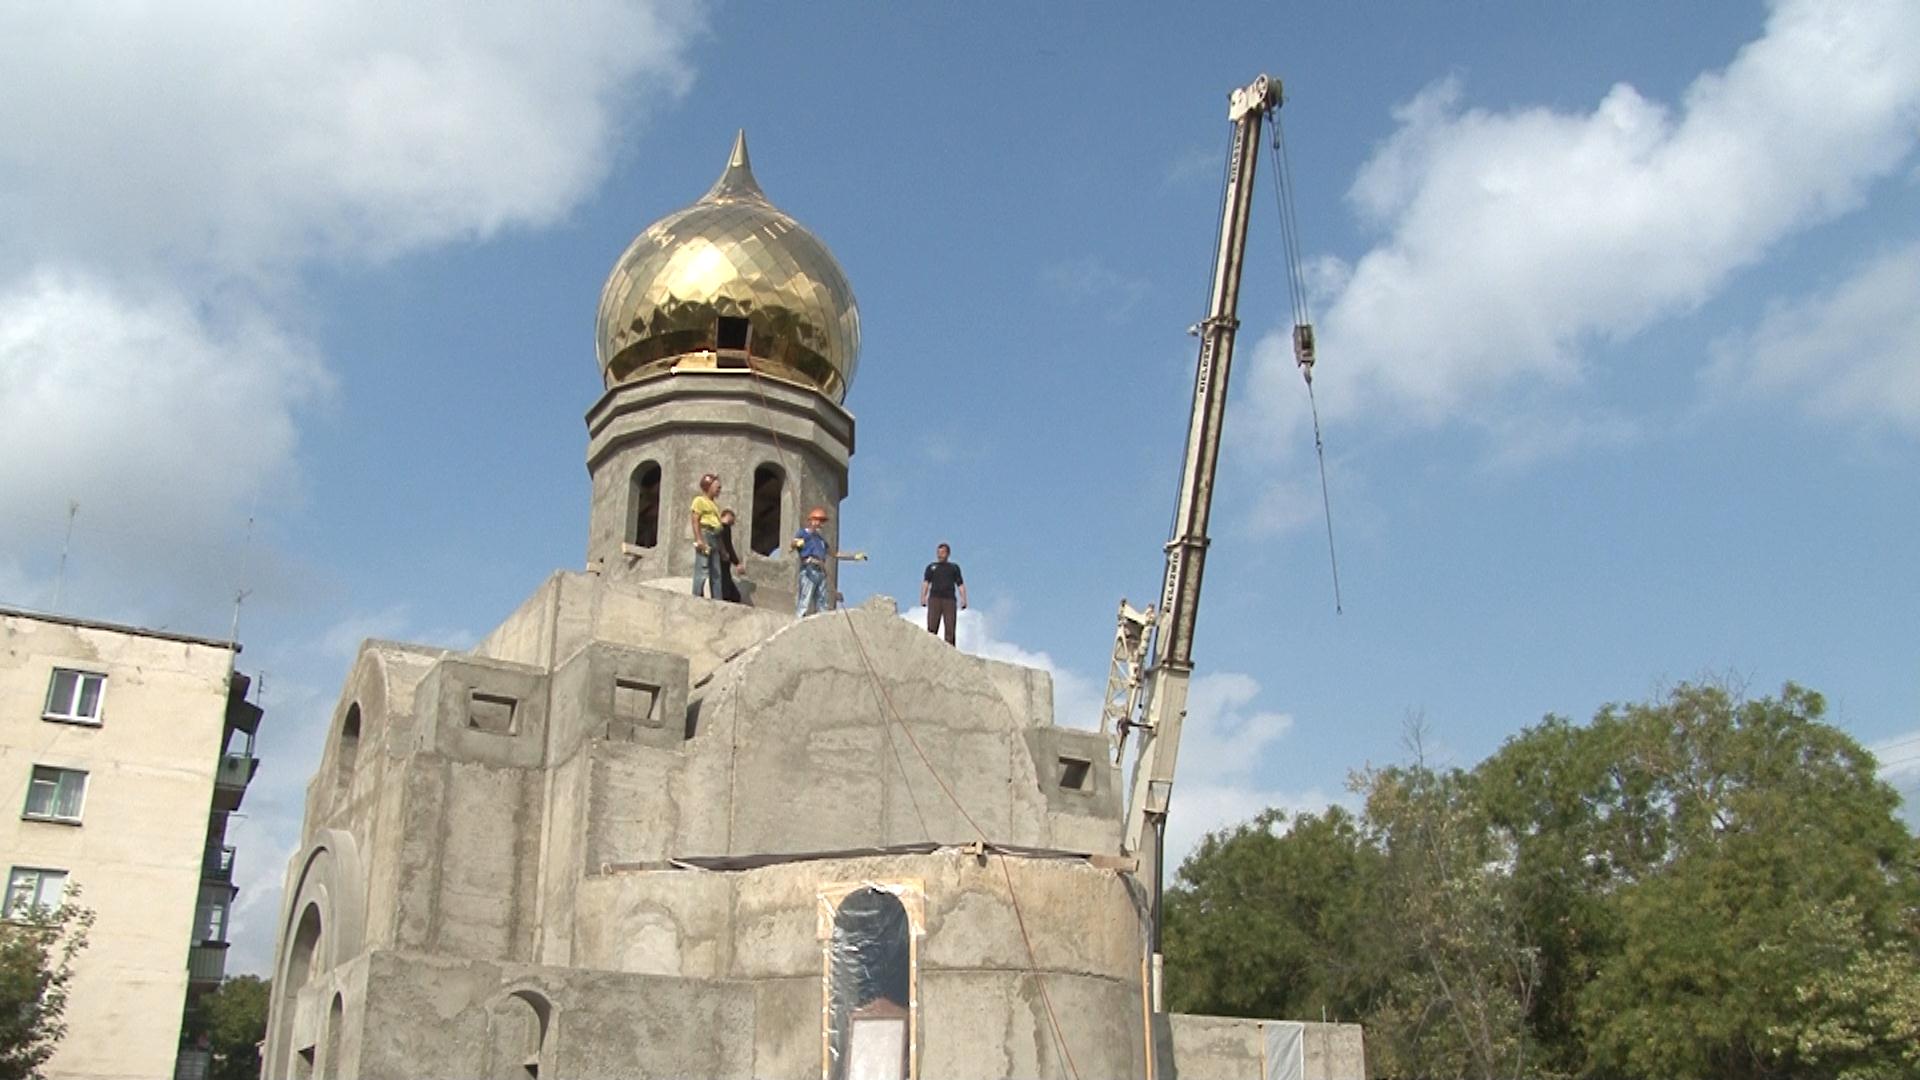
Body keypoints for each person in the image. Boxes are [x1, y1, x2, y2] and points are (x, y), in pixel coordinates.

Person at [791, 506, 864, 617]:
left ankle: (822, 624)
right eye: (818, 520)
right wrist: (797, 543)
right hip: (809, 570)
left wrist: (854, 556)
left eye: (821, 521)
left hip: (821, 571)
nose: (819, 524)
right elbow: (793, 544)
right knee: (805, 600)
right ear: (811, 520)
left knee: (822, 602)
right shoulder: (803, 533)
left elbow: (834, 554)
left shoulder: (820, 540)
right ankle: (798, 620)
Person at [920, 543, 966, 645]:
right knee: (932, 626)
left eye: (942, 552)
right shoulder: (932, 567)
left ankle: (950, 652)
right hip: (934, 598)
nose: (940, 555)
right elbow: (926, 582)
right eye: (938, 552)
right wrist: (923, 597)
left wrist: (964, 599)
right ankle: (930, 648)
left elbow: (960, 584)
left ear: (948, 554)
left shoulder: (954, 568)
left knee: (950, 628)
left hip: (949, 600)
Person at [689, 474, 725, 598]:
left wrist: (722, 550)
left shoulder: (714, 505)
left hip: (715, 537)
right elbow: (695, 520)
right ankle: (697, 595)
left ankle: (717, 598)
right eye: (717, 487)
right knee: (702, 567)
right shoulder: (699, 500)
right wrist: (699, 539)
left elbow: (719, 528)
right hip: (705, 534)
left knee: (716, 571)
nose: (719, 489)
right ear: (708, 486)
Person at [716, 508, 746, 604]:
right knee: (730, 593)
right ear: (728, 516)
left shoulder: (718, 527)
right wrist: (737, 563)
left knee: (733, 594)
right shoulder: (724, 528)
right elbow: (728, 546)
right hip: (723, 561)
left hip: (720, 560)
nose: (733, 522)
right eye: (733, 519)